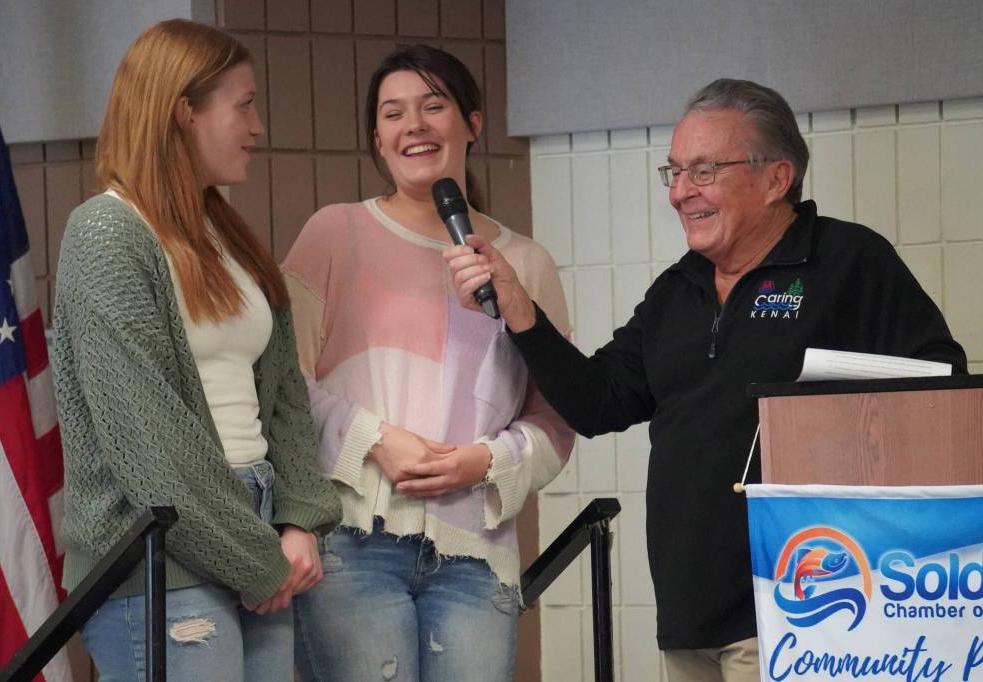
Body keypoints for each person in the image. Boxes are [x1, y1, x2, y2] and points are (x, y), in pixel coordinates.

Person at [446, 78, 967, 682]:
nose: (680, 192)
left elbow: (939, 386)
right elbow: (598, 403)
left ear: (777, 178)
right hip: (689, 613)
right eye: (673, 172)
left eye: (703, 171)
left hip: (811, 608)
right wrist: (520, 312)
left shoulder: (848, 262)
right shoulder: (679, 290)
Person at [51, 19, 341, 681]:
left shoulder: (227, 233)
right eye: (243, 105)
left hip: (256, 533)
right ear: (185, 112)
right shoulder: (107, 233)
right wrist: (259, 559)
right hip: (160, 555)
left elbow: (286, 400)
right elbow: (147, 443)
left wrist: (300, 520)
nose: (258, 125)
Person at [280, 45, 575, 681]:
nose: (413, 125)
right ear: (378, 141)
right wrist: (373, 440)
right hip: (352, 546)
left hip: (476, 555)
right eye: (393, 114)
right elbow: (281, 386)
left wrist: (488, 460)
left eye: (433, 106)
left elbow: (556, 419)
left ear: (471, 123)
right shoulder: (333, 233)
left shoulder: (526, 262)